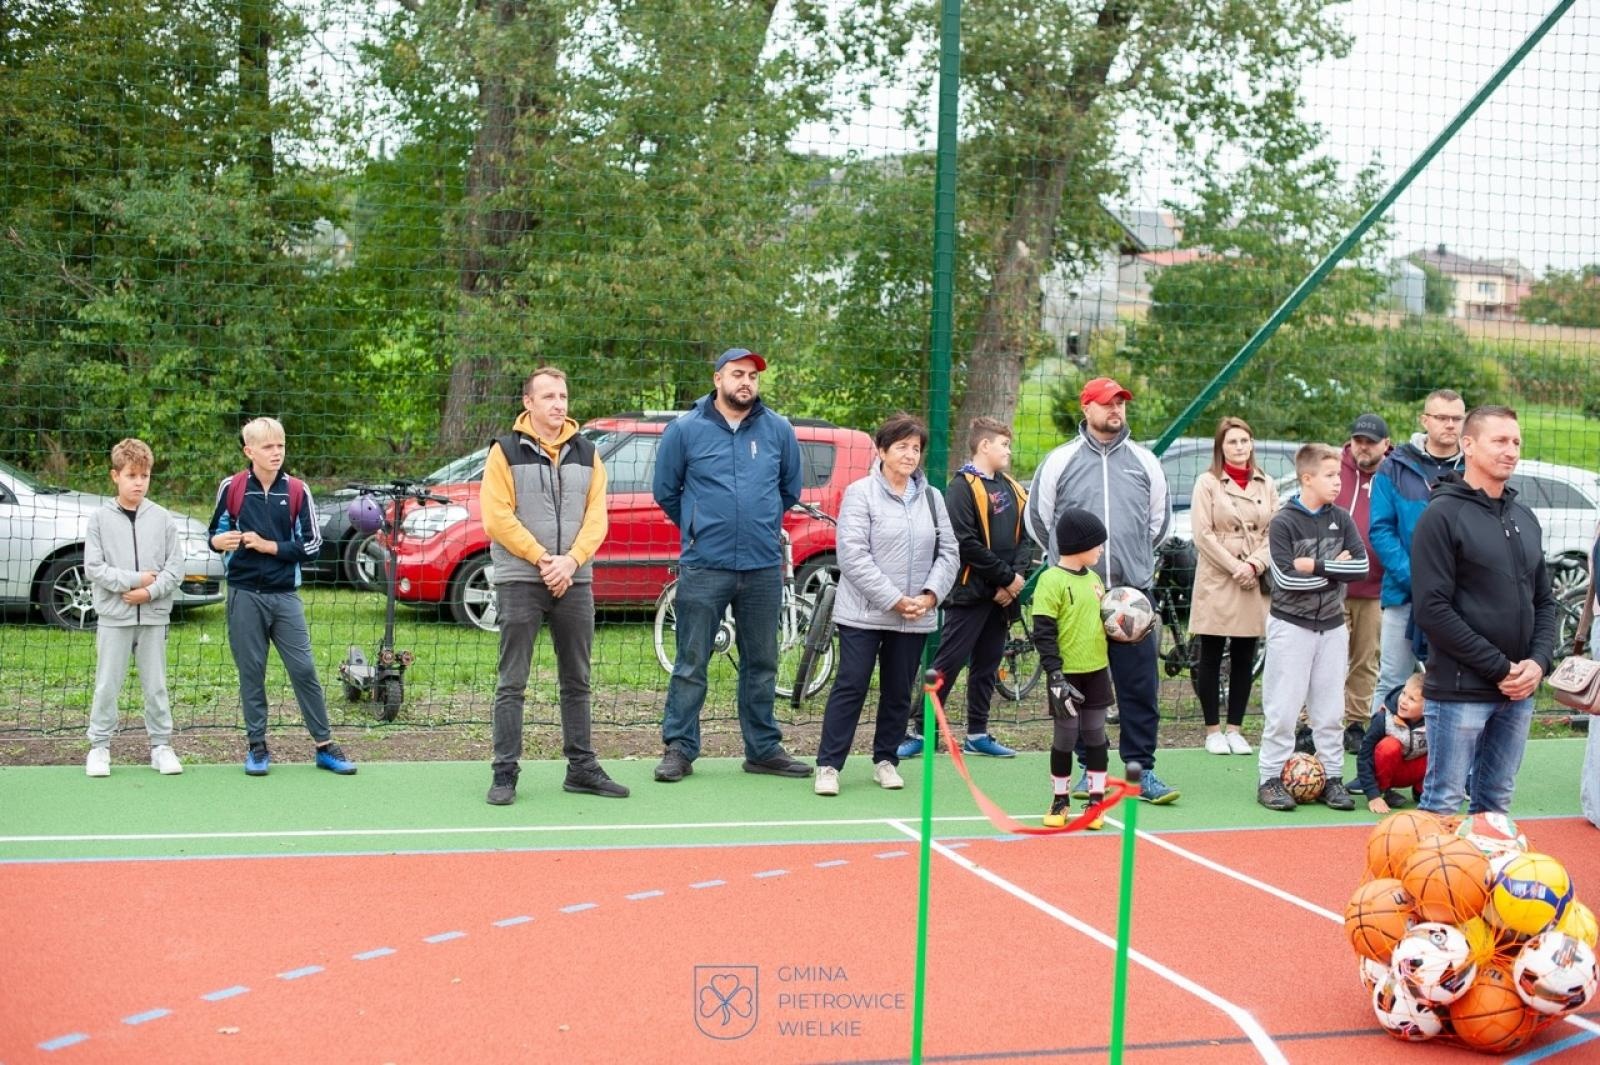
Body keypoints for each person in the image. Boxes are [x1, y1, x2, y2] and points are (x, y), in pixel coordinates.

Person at [651, 348, 811, 783]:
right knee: (691, 662)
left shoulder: (778, 430)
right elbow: (666, 490)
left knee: (762, 662)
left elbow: (789, 489)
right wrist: (699, 525)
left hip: (762, 567)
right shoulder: (685, 430)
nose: (747, 382)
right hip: (704, 565)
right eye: (738, 374)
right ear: (718, 378)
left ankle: (762, 749)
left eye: (753, 377)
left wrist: (756, 525)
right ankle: (680, 748)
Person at [1024, 377, 1178, 803]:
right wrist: (1072, 568)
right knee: (1082, 690)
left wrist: (1132, 565)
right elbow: (1039, 521)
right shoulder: (1060, 461)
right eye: (1108, 403)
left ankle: (1140, 770)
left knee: (1139, 687)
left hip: (1131, 596)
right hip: (1077, 598)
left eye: (1122, 404)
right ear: (1087, 407)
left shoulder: (1145, 461)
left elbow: (1159, 524)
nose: (1117, 410)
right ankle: (1086, 770)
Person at [481, 367, 629, 806]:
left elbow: (597, 517)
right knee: (513, 681)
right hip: (521, 579)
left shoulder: (589, 453)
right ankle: (504, 772)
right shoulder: (504, 452)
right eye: (547, 396)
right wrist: (544, 559)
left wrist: (571, 561)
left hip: (574, 578)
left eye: (562, 395)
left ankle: (581, 768)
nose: (558, 403)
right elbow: (496, 517)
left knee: (578, 679)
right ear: (528, 402)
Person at [1411, 405, 1557, 816]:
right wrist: (1499, 668)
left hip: (1518, 693)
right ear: (1468, 445)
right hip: (1459, 692)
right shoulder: (1441, 516)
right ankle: (1425, 884)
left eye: (1516, 442)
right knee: (1443, 803)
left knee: (1495, 805)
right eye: (1500, 441)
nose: (1510, 450)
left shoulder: (1524, 517)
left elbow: (1544, 601)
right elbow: (1432, 610)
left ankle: (1484, 883)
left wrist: (1537, 664)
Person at [814, 415, 958, 796]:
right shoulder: (860, 493)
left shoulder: (932, 497)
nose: (910, 455)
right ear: (882, 451)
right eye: (902, 447)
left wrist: (929, 596)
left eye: (916, 448)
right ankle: (829, 765)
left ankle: (886, 760)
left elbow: (949, 552)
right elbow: (853, 556)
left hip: (915, 616)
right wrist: (894, 600)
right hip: (864, 613)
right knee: (852, 683)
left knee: (898, 690)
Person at [208, 417, 356, 776]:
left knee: (304, 669)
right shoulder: (232, 488)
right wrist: (218, 542)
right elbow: (214, 533)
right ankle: (257, 747)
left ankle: (324, 745)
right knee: (251, 672)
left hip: (285, 596)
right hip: (244, 595)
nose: (276, 453)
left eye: (281, 446)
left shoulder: (296, 491)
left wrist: (269, 546)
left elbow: (313, 545)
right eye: (268, 447)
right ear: (249, 451)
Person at [898, 417, 1032, 760]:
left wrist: (1014, 581)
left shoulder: (1013, 488)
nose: (1008, 451)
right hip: (970, 595)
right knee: (948, 663)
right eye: (1003, 444)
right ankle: (921, 730)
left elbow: (1026, 539)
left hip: (1003, 598)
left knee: (988, 665)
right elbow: (965, 542)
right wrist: (1004, 578)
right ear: (984, 445)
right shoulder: (961, 487)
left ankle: (977, 732)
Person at [1256, 443, 1368, 812]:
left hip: (1333, 628)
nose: (1338, 482)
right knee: (1284, 710)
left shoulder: (1342, 519)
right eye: (1330, 475)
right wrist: (1334, 567)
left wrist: (1316, 566)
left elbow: (1362, 568)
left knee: (1330, 710)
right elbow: (1285, 580)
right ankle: (1270, 778)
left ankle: (1332, 777)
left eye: (1339, 474)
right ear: (1307, 478)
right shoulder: (1284, 521)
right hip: (1291, 626)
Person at [83, 438, 185, 777]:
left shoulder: (163, 518)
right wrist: (135, 580)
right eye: (131, 475)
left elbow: (175, 569)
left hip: (153, 616)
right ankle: (99, 746)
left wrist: (151, 591)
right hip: (115, 617)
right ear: (116, 476)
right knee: (107, 684)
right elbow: (94, 568)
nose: (138, 482)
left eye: (144, 475)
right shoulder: (99, 519)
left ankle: (161, 746)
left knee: (155, 684)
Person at [1368, 389, 1466, 715]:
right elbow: (1381, 530)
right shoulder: (1393, 467)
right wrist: (1418, 579)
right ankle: (1377, 759)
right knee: (1392, 679)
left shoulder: (1474, 466)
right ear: (1425, 420)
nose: (1450, 425)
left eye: (1456, 418)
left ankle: (1439, 759)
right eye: (1441, 417)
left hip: (1460, 597)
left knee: (1454, 681)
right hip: (1404, 594)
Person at [1187, 416, 1276, 757]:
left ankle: (1236, 728)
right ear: (1220, 448)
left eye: (1244, 441)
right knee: (1209, 652)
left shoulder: (1265, 483)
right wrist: (1235, 565)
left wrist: (1255, 564)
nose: (1239, 447)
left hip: (1253, 575)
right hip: (1218, 575)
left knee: (1245, 654)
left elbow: (1275, 529)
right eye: (1232, 442)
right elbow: (1202, 534)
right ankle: (1212, 729)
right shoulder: (1207, 483)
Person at [1030, 508, 1114, 829]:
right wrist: (1054, 673)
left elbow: (1105, 625)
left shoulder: (1095, 581)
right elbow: (1044, 632)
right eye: (1098, 544)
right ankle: (1060, 799)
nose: (1101, 549)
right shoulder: (1051, 581)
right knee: (1065, 738)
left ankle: (1095, 802)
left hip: (1096, 672)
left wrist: (1126, 634)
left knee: (1096, 735)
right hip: (1065, 675)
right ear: (1080, 545)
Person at [1335, 413, 1392, 754]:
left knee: (1366, 659)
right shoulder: (1335, 469)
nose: (1363, 447)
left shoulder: (1394, 474)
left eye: (1371, 442)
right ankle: (1310, 723)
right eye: (1358, 440)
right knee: (1327, 658)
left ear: (1386, 445)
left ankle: (1355, 722)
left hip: (1375, 588)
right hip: (1333, 587)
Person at [1353, 674, 1428, 815]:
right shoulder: (1383, 718)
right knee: (1389, 746)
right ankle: (1384, 791)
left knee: (1441, 746)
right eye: (1404, 693)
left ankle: (1422, 790)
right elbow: (1364, 755)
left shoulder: (1435, 721)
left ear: (1427, 707)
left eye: (1412, 699)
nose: (1403, 701)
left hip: (1415, 769)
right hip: (1388, 772)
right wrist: (1372, 794)